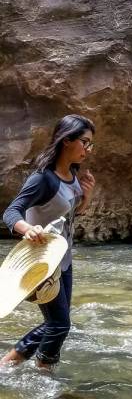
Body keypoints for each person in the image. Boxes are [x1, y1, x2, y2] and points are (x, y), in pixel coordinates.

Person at [1, 114, 96, 371]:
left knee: (57, 321)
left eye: (90, 144)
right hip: (42, 261)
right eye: (85, 142)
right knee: (60, 324)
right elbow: (11, 212)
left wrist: (85, 198)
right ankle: (44, 374)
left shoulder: (73, 174)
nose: (88, 149)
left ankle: (9, 363)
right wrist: (27, 229)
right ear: (67, 140)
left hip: (63, 260)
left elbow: (68, 214)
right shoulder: (43, 178)